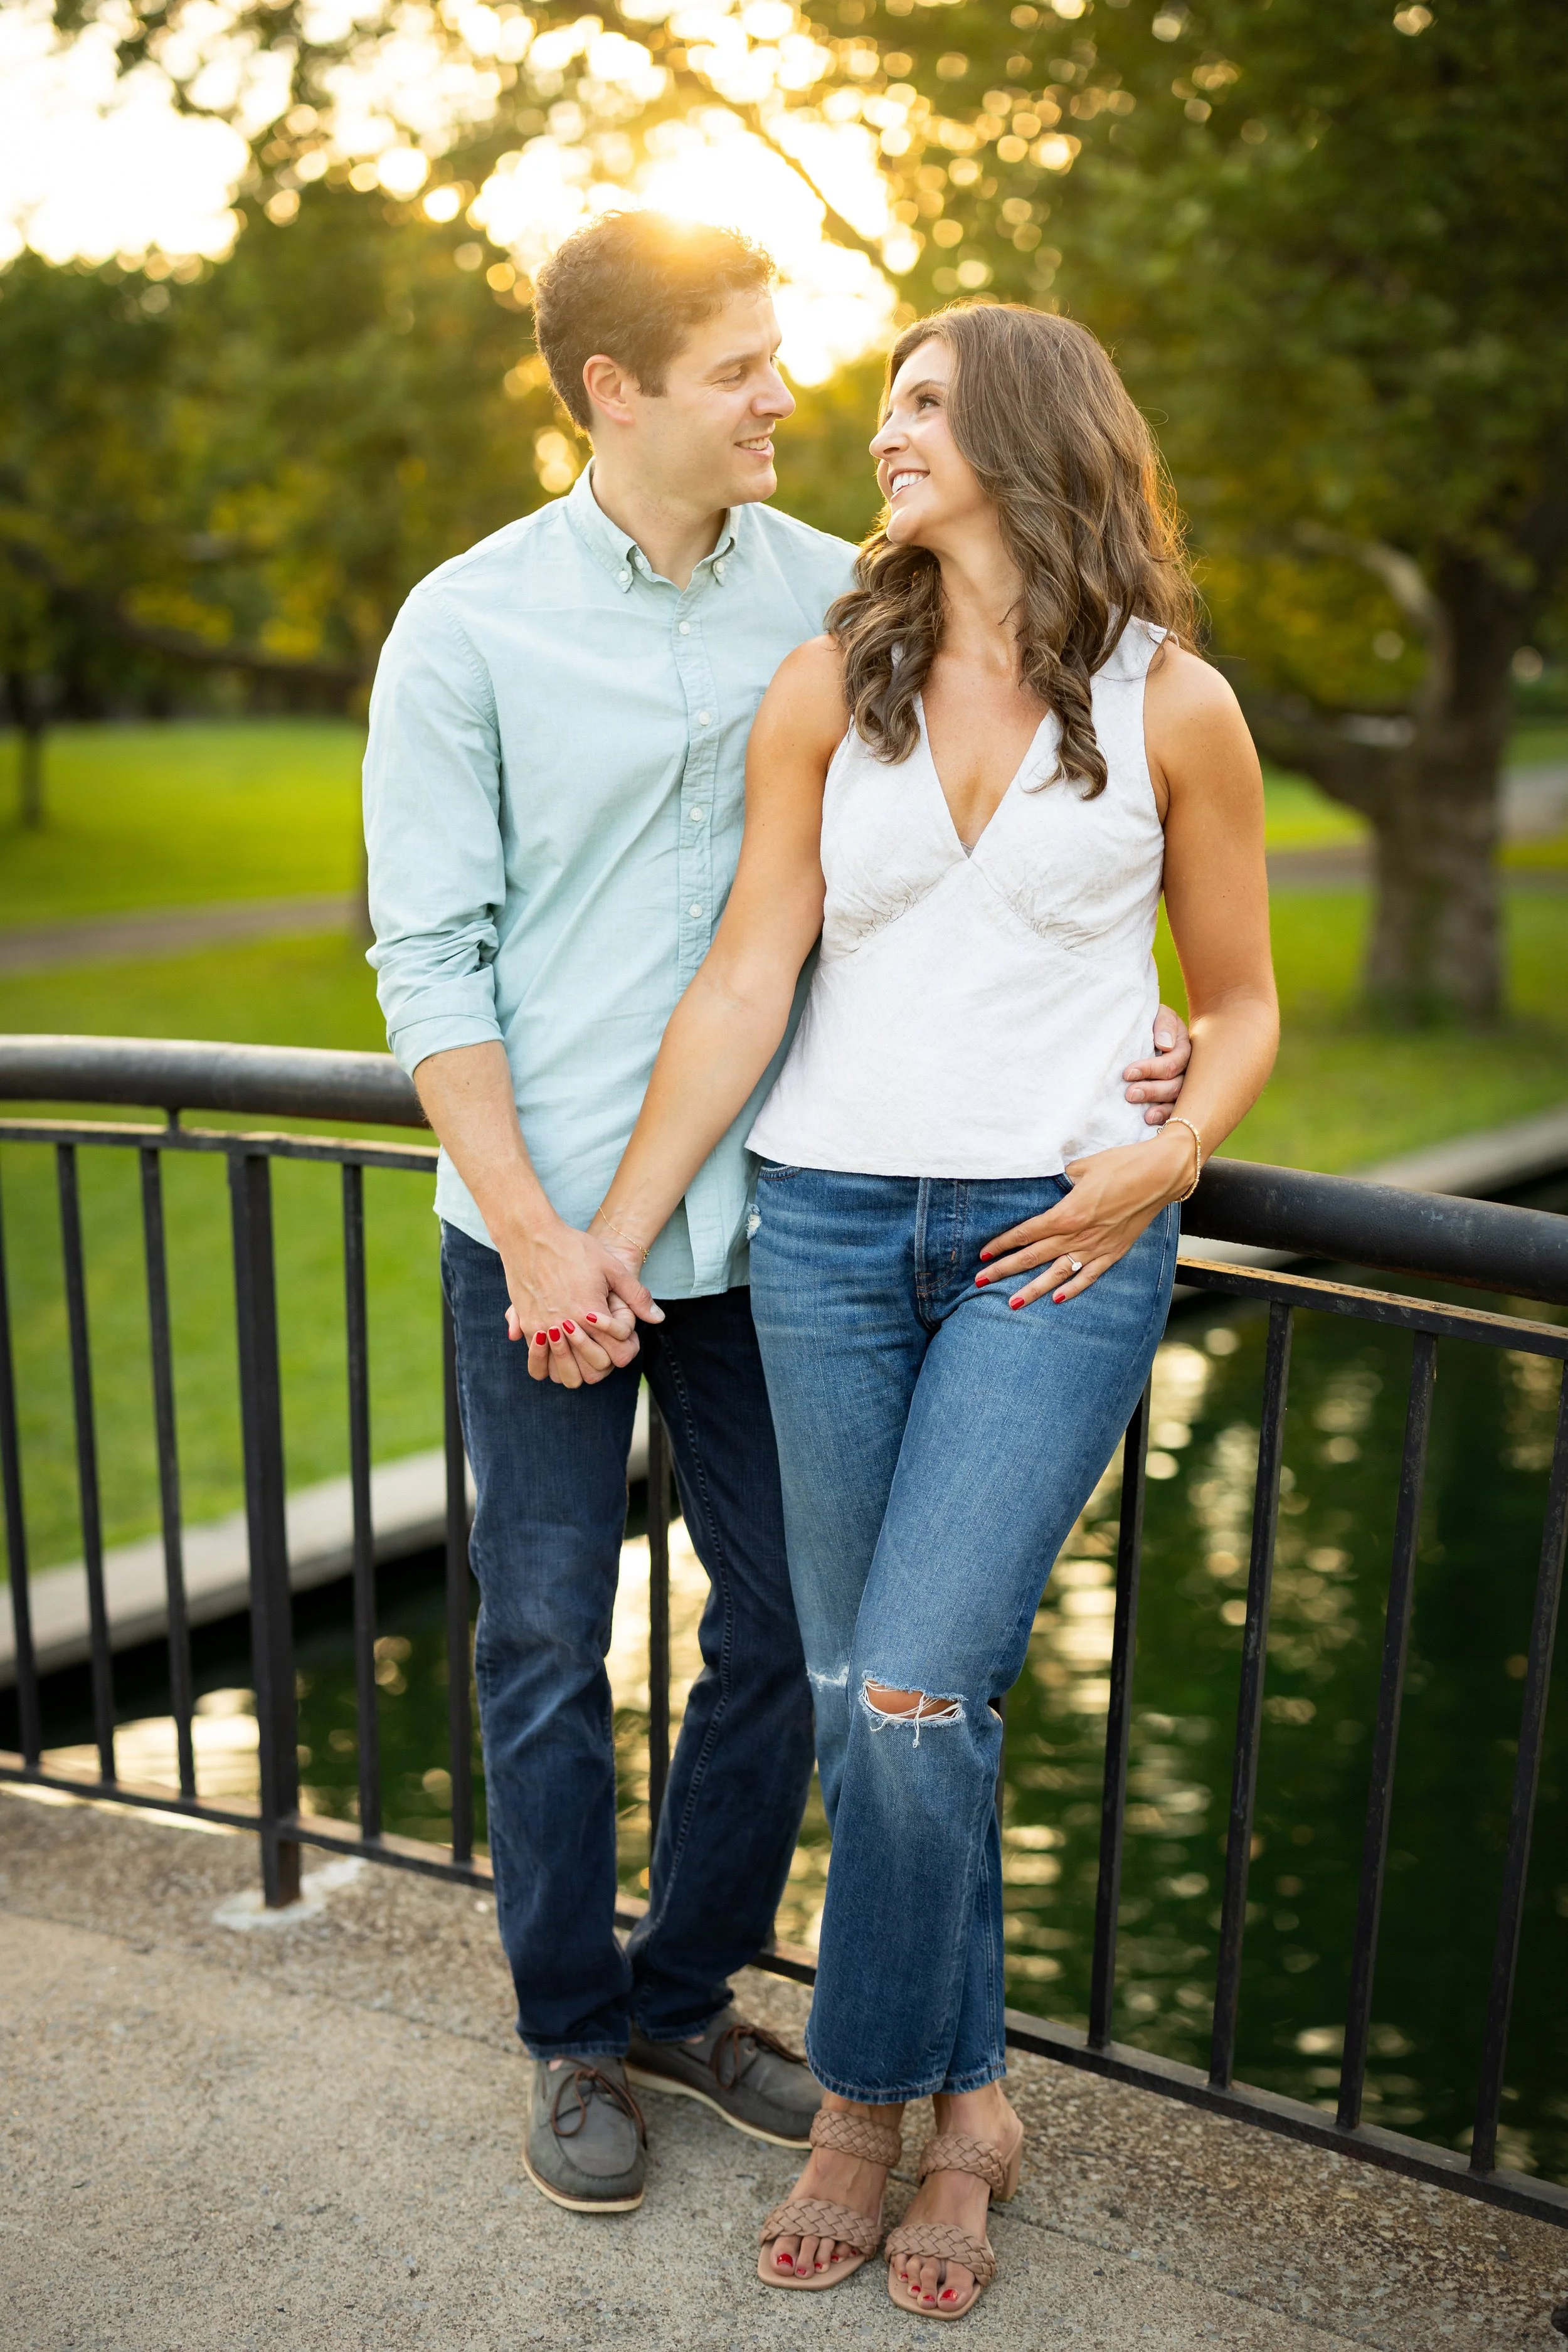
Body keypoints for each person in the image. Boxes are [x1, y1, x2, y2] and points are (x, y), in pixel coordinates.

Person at [363, 216, 1194, 2220]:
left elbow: (1025, 794)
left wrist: (1133, 1027)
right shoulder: (465, 626)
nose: (784, 397)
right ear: (613, 391)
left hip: (787, 1221)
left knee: (790, 1653)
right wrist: (548, 1232)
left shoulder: (856, 592)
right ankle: (571, 2029)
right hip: (552, 1223)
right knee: (549, 1639)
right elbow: (429, 962)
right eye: (742, 364)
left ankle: (681, 1992)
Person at [568, 300, 1278, 2313]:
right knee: (886, 1699)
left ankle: (868, 2104)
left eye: (924, 407)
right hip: (823, 1229)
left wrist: (1169, 1150)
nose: (879, 433)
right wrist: (616, 1224)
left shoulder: (1172, 705)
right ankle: (977, 2102)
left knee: (904, 1687)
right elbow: (742, 978)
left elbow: (1236, 999)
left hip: (1052, 1239)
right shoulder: (828, 686)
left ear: (1033, 434)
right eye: (880, 402)